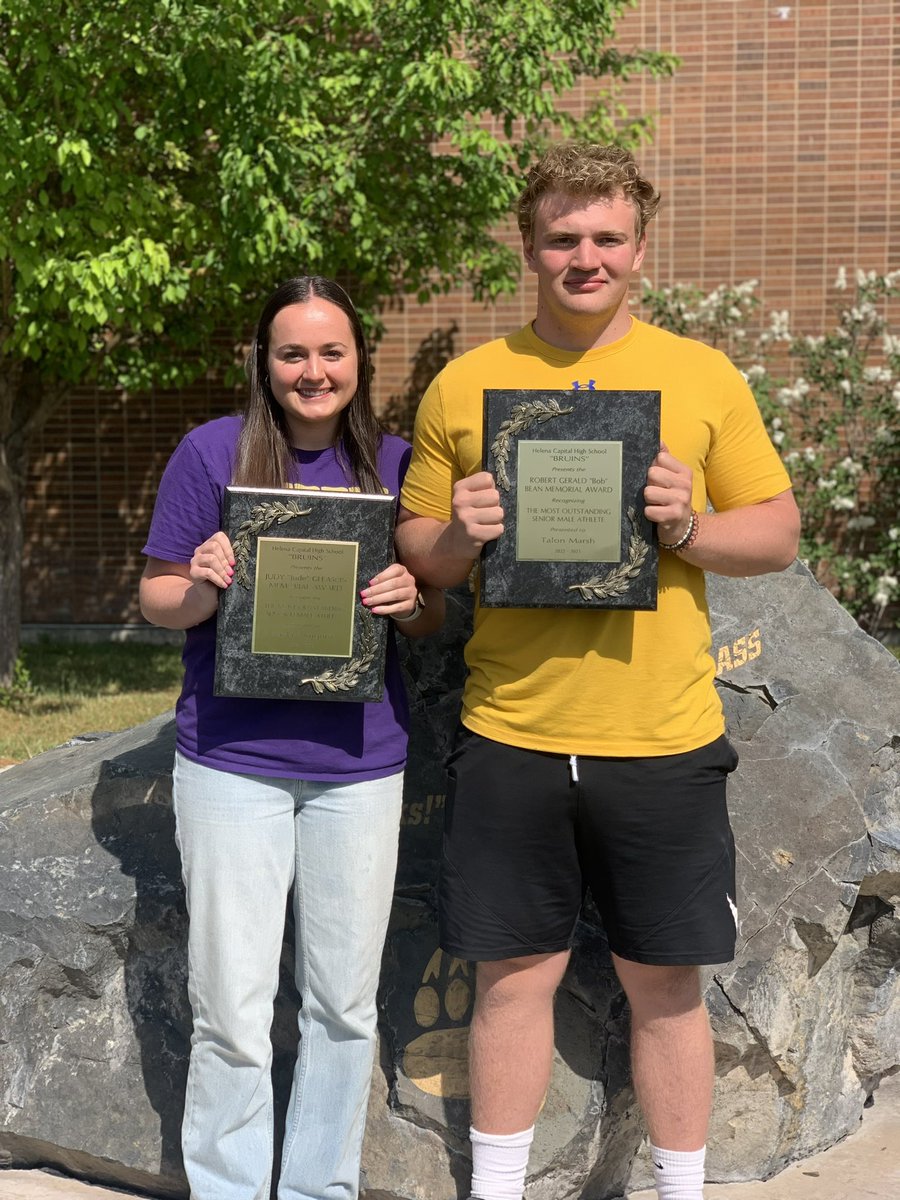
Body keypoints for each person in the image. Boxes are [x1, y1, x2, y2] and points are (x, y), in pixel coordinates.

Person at [395, 143, 800, 1200]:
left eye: (606, 237)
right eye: (563, 237)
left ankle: (681, 1189)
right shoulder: (469, 383)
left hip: (659, 735)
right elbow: (418, 550)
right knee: (511, 979)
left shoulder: (701, 375)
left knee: (666, 987)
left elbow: (779, 533)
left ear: (639, 249)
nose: (586, 256)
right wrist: (460, 537)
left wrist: (691, 526)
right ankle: (496, 1189)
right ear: (528, 248)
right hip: (512, 731)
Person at [139, 275, 443, 1200]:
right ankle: (230, 1188)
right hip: (233, 762)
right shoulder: (211, 454)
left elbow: (428, 619)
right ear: (264, 364)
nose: (314, 370)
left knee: (343, 1008)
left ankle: (320, 1189)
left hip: (359, 766)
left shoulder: (394, 466)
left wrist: (410, 601)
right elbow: (159, 601)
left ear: (360, 358)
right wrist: (202, 579)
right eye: (293, 353)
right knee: (230, 1007)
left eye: (332, 351)